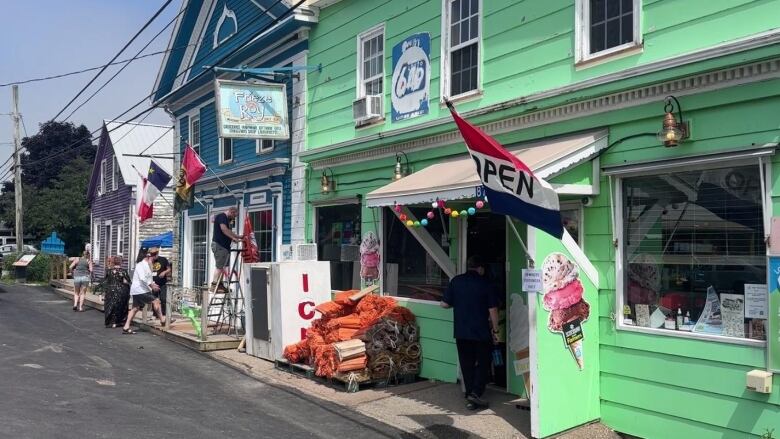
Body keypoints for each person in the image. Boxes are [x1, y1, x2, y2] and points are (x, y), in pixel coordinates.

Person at [440, 255, 500, 411]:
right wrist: (496, 329)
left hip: (461, 331)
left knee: (466, 363)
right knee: (483, 362)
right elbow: (493, 310)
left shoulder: (456, 281)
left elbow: (444, 304)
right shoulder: (486, 284)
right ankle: (476, 393)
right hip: (481, 332)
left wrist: (460, 304)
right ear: (480, 268)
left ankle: (469, 394)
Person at [122, 249, 167, 334]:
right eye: (154, 257)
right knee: (156, 301)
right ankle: (162, 319)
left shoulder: (148, 265)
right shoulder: (140, 265)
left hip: (140, 290)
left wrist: (153, 284)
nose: (154, 259)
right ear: (149, 256)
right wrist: (152, 286)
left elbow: (149, 278)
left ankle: (126, 326)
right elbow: (142, 278)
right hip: (140, 289)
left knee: (135, 308)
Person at [211, 206, 242, 290]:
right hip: (219, 245)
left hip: (223, 247)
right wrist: (233, 238)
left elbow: (228, 231)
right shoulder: (222, 216)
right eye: (234, 216)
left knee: (223, 267)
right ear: (231, 212)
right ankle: (214, 285)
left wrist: (238, 237)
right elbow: (224, 229)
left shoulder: (226, 219)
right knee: (220, 266)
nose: (234, 218)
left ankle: (219, 285)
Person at [103, 256, 131, 328]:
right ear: (120, 262)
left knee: (110, 306)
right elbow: (127, 281)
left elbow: (106, 281)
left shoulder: (109, 271)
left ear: (112, 262)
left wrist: (103, 292)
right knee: (121, 306)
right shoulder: (123, 271)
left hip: (111, 290)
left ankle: (110, 322)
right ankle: (118, 322)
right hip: (121, 290)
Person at [151, 248, 171, 316]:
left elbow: (169, 269)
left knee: (163, 298)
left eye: (154, 254)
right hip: (154, 283)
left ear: (157, 253)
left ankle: (163, 313)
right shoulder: (150, 261)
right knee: (154, 299)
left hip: (162, 283)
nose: (153, 256)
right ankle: (155, 314)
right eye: (152, 254)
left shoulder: (163, 259)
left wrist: (164, 272)